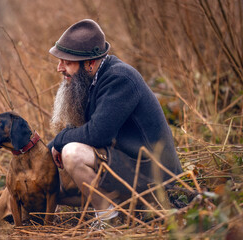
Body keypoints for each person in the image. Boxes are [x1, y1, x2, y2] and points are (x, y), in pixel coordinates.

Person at [48, 19, 183, 225]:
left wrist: (61, 140)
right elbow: (84, 128)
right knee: (59, 189)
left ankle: (109, 220)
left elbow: (96, 134)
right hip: (131, 169)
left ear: (90, 63)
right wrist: (50, 147)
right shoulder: (94, 79)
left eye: (67, 62)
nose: (59, 68)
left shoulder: (120, 79)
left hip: (156, 179)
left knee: (72, 153)